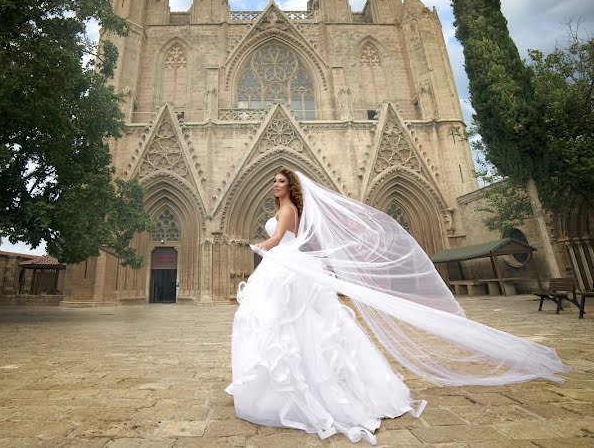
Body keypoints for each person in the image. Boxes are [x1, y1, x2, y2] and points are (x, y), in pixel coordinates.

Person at [225, 168, 567, 445]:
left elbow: (277, 239)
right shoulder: (291, 209)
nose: (275, 185)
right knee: (300, 325)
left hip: (285, 266)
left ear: (291, 187)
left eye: (280, 181)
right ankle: (301, 384)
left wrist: (256, 246)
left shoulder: (287, 210)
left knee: (287, 324)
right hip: (291, 268)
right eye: (274, 181)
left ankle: (294, 390)